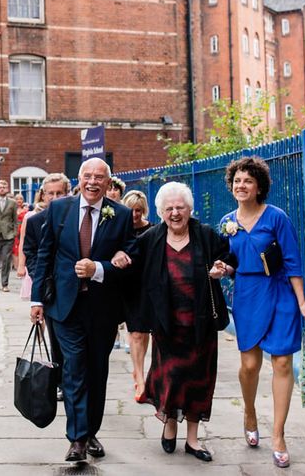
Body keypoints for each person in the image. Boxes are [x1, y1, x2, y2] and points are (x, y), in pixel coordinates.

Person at [31, 157, 137, 463]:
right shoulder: (59, 209)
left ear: (108, 182)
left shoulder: (120, 214)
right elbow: (44, 254)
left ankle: (91, 432)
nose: (92, 182)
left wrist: (101, 267)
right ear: (79, 179)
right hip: (64, 306)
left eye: (99, 177)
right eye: (87, 176)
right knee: (75, 368)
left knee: (97, 370)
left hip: (102, 307)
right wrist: (37, 300)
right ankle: (76, 438)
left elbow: (132, 253)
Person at [115, 181, 229, 463]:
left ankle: (193, 439)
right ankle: (169, 426)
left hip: (200, 323)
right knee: (171, 378)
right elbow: (131, 258)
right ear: (161, 211)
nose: (175, 213)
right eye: (169, 208)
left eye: (180, 207)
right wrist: (120, 257)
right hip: (167, 324)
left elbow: (227, 257)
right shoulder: (151, 237)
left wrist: (222, 268)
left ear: (190, 209)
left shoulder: (204, 234)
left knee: (199, 381)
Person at [216, 156, 305, 469]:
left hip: (281, 293)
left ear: (259, 186)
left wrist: (302, 302)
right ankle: (249, 411)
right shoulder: (227, 222)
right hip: (247, 294)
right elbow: (230, 262)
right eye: (237, 181)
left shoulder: (276, 218)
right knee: (249, 364)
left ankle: (278, 434)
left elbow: (293, 262)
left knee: (283, 362)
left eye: (247, 180)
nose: (241, 185)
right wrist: (223, 269)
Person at [18, 173, 70, 401]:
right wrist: (41, 276)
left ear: (68, 193)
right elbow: (29, 252)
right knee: (57, 339)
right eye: (51, 193)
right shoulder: (35, 221)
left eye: (60, 192)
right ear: (44, 195)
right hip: (51, 291)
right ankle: (61, 382)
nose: (56, 197)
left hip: (76, 287)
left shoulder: (77, 219)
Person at [119, 189, 153, 392]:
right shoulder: (120, 229)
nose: (135, 214)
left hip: (148, 286)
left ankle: (141, 371)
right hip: (127, 285)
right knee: (136, 332)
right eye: (131, 210)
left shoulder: (154, 229)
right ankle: (139, 376)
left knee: (145, 331)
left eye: (138, 210)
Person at [12, 193, 29, 270]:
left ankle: (22, 266)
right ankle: (16, 267)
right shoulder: (12, 209)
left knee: (22, 248)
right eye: (17, 199)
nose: (19, 200)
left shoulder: (26, 210)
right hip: (14, 231)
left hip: (23, 231)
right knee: (14, 249)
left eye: (21, 199)